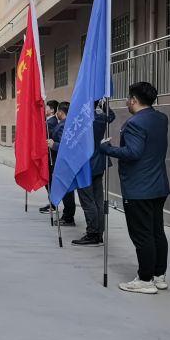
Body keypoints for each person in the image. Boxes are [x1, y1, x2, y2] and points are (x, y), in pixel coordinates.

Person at [100, 82, 169, 294]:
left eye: (128, 99)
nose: (127, 102)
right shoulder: (161, 118)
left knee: (142, 234)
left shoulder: (134, 123)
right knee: (157, 232)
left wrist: (107, 148)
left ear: (134, 100)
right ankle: (159, 275)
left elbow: (133, 152)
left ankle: (145, 279)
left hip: (139, 188)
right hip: (158, 185)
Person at [72, 101, 115, 247]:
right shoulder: (101, 118)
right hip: (98, 164)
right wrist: (104, 104)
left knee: (88, 201)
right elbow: (112, 116)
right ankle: (99, 234)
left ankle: (92, 234)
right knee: (98, 200)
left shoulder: (79, 122)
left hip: (85, 165)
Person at [46, 101, 76, 226]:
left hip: (63, 162)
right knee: (65, 190)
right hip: (61, 161)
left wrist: (54, 145)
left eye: (58, 111)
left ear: (60, 112)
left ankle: (68, 217)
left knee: (66, 191)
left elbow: (66, 146)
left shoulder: (64, 125)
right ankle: (67, 215)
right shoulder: (65, 123)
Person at [40, 100, 60, 214]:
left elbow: (48, 138)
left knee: (50, 181)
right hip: (49, 155)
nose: (44, 109)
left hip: (50, 156)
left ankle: (53, 205)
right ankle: (52, 202)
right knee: (48, 181)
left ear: (52, 110)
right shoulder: (49, 121)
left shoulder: (51, 122)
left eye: (46, 107)